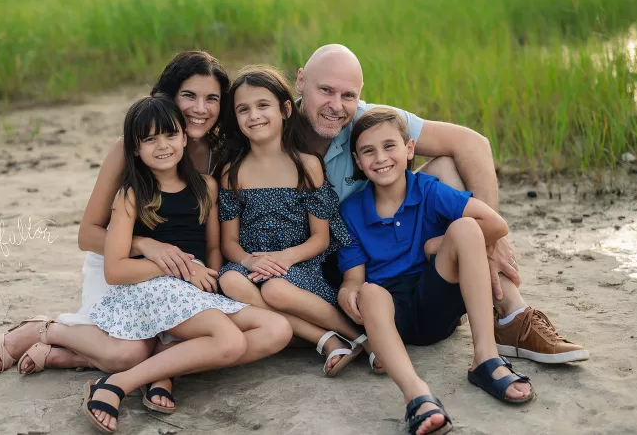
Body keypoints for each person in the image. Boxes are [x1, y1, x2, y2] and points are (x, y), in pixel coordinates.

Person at [0, 52, 289, 411]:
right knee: (128, 351)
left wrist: (208, 272)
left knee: (152, 349)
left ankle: (127, 365)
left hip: (190, 277)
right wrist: (147, 245)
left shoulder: (219, 155)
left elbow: (212, 236)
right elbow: (89, 235)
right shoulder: (130, 151)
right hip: (125, 262)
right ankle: (50, 331)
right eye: (189, 96)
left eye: (212, 99)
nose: (200, 109)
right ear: (169, 97)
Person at [297, 44, 589, 365]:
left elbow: (472, 143)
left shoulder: (368, 123)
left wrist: (487, 239)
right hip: (331, 261)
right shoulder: (271, 126)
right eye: (325, 90)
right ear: (300, 82)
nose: (336, 106)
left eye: (348, 95)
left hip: (389, 244)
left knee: (446, 168)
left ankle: (511, 315)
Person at [83, 95, 291, 433]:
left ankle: (166, 368)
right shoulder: (131, 194)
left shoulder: (206, 187)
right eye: (149, 139)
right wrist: (176, 267)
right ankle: (118, 384)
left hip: (195, 290)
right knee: (230, 341)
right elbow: (115, 269)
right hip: (152, 289)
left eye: (169, 135)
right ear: (135, 149)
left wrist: (210, 279)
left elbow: (212, 246)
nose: (162, 145)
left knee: (277, 329)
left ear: (184, 137)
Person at [339, 108, 536, 435]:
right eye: (368, 151)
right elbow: (353, 279)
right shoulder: (351, 210)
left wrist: (434, 246)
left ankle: (485, 359)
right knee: (370, 292)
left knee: (467, 229)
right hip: (391, 315)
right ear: (358, 162)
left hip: (435, 300)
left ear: (409, 149)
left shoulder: (427, 189)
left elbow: (496, 224)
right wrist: (348, 293)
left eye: (390, 146)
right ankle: (417, 395)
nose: (381, 158)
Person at [215, 66, 373, 377]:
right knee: (229, 280)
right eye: (243, 109)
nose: (253, 116)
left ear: (286, 109)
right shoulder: (232, 172)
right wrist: (249, 261)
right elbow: (228, 242)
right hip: (252, 266)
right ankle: (328, 340)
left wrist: (283, 259)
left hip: (299, 265)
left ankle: (359, 337)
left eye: (263, 106)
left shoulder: (306, 165)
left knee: (275, 290)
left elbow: (321, 239)